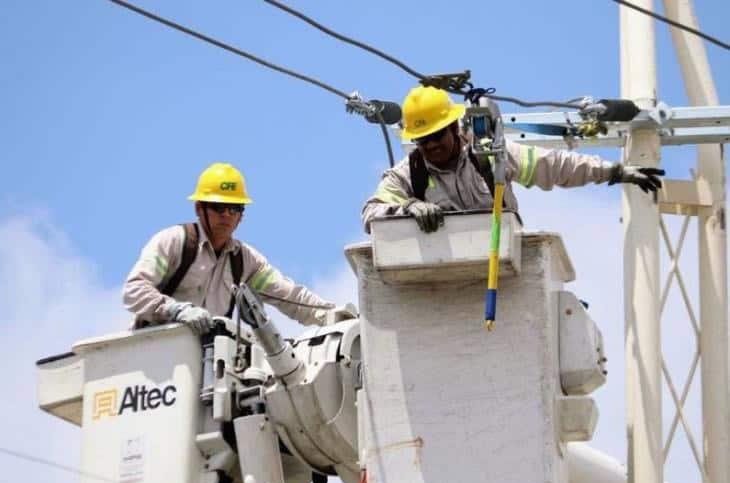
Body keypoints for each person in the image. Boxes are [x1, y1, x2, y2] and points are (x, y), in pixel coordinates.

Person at [362, 86, 664, 233]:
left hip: (500, 263)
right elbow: (371, 214)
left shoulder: (490, 157)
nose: (430, 146)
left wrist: (615, 171)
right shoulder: (408, 174)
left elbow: (555, 166)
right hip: (444, 275)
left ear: (454, 128)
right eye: (422, 140)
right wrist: (408, 207)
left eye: (436, 136)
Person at [124, 162, 335, 334]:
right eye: (218, 207)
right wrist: (175, 310)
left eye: (234, 208)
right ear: (199, 208)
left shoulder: (244, 261)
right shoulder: (174, 242)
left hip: (204, 368)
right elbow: (135, 290)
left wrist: (332, 316)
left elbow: (291, 296)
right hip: (156, 356)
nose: (226, 215)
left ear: (242, 215)